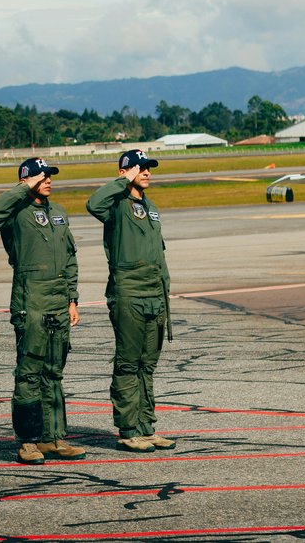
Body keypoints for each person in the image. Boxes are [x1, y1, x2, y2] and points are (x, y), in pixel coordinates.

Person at [0, 158, 85, 465]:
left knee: (53, 373)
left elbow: (69, 259)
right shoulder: (15, 212)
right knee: (29, 373)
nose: (48, 180)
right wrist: (23, 189)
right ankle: (28, 440)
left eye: (50, 176)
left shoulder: (58, 213)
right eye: (41, 177)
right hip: (31, 299)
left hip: (57, 300)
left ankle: (53, 437)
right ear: (27, 180)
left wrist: (72, 299)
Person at [86, 149, 176, 453]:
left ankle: (146, 426)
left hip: (154, 293)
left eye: (149, 168)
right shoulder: (116, 205)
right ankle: (127, 429)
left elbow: (159, 254)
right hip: (129, 292)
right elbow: (93, 204)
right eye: (141, 168)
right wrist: (121, 181)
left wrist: (165, 290)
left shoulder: (150, 207)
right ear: (126, 172)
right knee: (128, 363)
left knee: (147, 364)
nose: (147, 172)